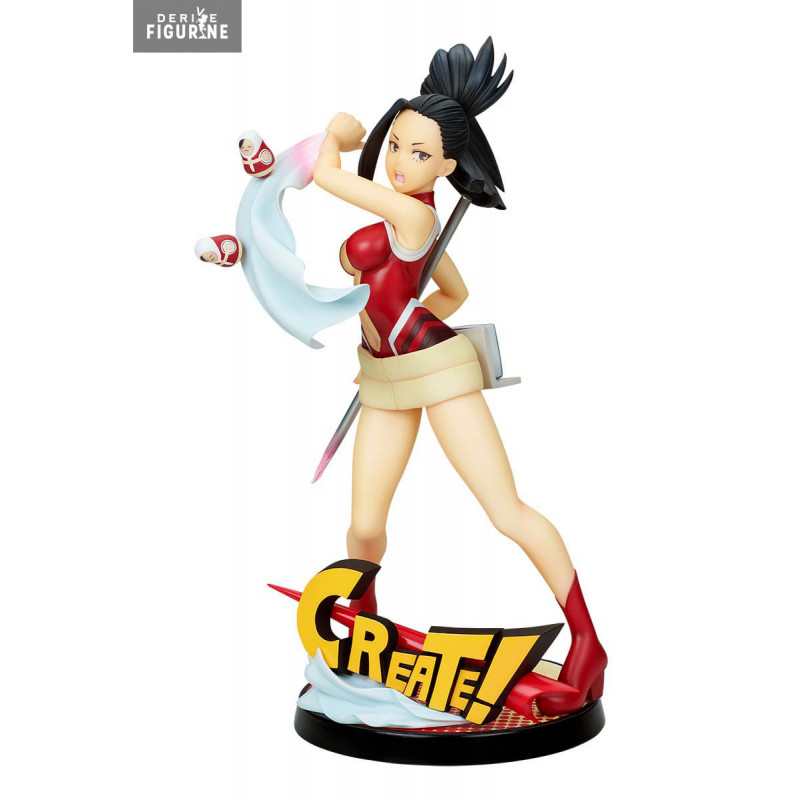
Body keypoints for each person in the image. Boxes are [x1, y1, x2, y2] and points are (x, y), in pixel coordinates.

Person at [312, 38, 606, 716]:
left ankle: (588, 639)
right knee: (363, 528)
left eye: (419, 154)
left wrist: (334, 136)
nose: (398, 161)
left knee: (506, 511)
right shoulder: (407, 219)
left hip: (438, 370)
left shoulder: (414, 214)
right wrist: (389, 333)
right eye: (395, 144)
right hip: (385, 376)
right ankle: (365, 637)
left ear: (448, 165)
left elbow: (327, 175)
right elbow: (453, 292)